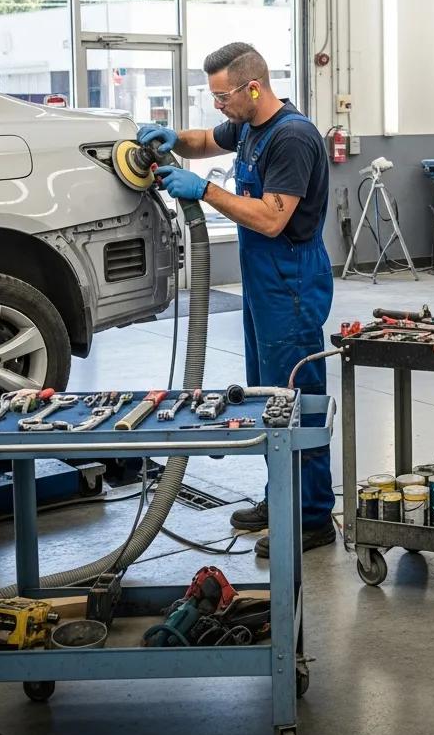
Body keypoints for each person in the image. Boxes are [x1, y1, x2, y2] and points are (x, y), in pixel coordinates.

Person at [138, 42, 335, 557]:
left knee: (297, 400)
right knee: (269, 400)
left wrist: (203, 191)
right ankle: (281, 498)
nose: (219, 106)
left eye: (223, 96)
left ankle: (312, 518)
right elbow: (204, 139)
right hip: (262, 282)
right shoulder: (248, 125)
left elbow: (272, 218)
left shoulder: (291, 137)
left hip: (290, 281)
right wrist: (172, 138)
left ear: (253, 87)